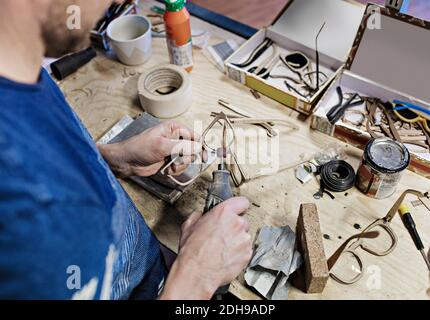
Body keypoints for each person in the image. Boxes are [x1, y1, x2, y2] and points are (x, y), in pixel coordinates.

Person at [0, 0, 252, 300]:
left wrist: (115, 159)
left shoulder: (20, 65)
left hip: (149, 268)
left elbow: (44, 157)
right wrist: (195, 277)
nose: (119, 2)